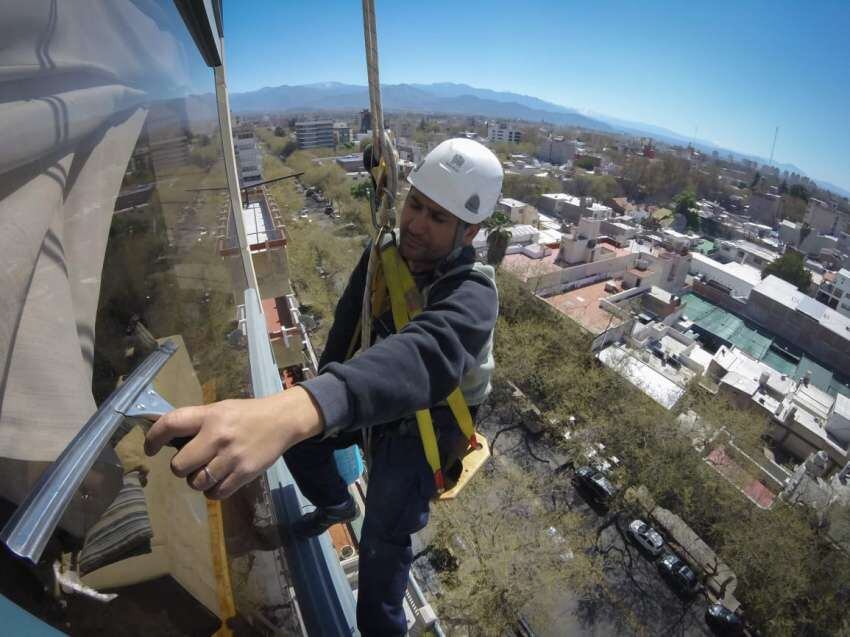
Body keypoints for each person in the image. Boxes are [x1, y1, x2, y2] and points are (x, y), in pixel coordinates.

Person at [145, 138, 503, 635]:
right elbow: (347, 325)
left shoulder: (474, 292)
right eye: (414, 204)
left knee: (381, 554)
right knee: (303, 444)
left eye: (438, 218)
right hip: (381, 394)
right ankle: (336, 503)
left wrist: (301, 408)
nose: (417, 223)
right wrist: (314, 403)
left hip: (426, 429)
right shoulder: (388, 253)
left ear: (470, 232)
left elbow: (428, 354)